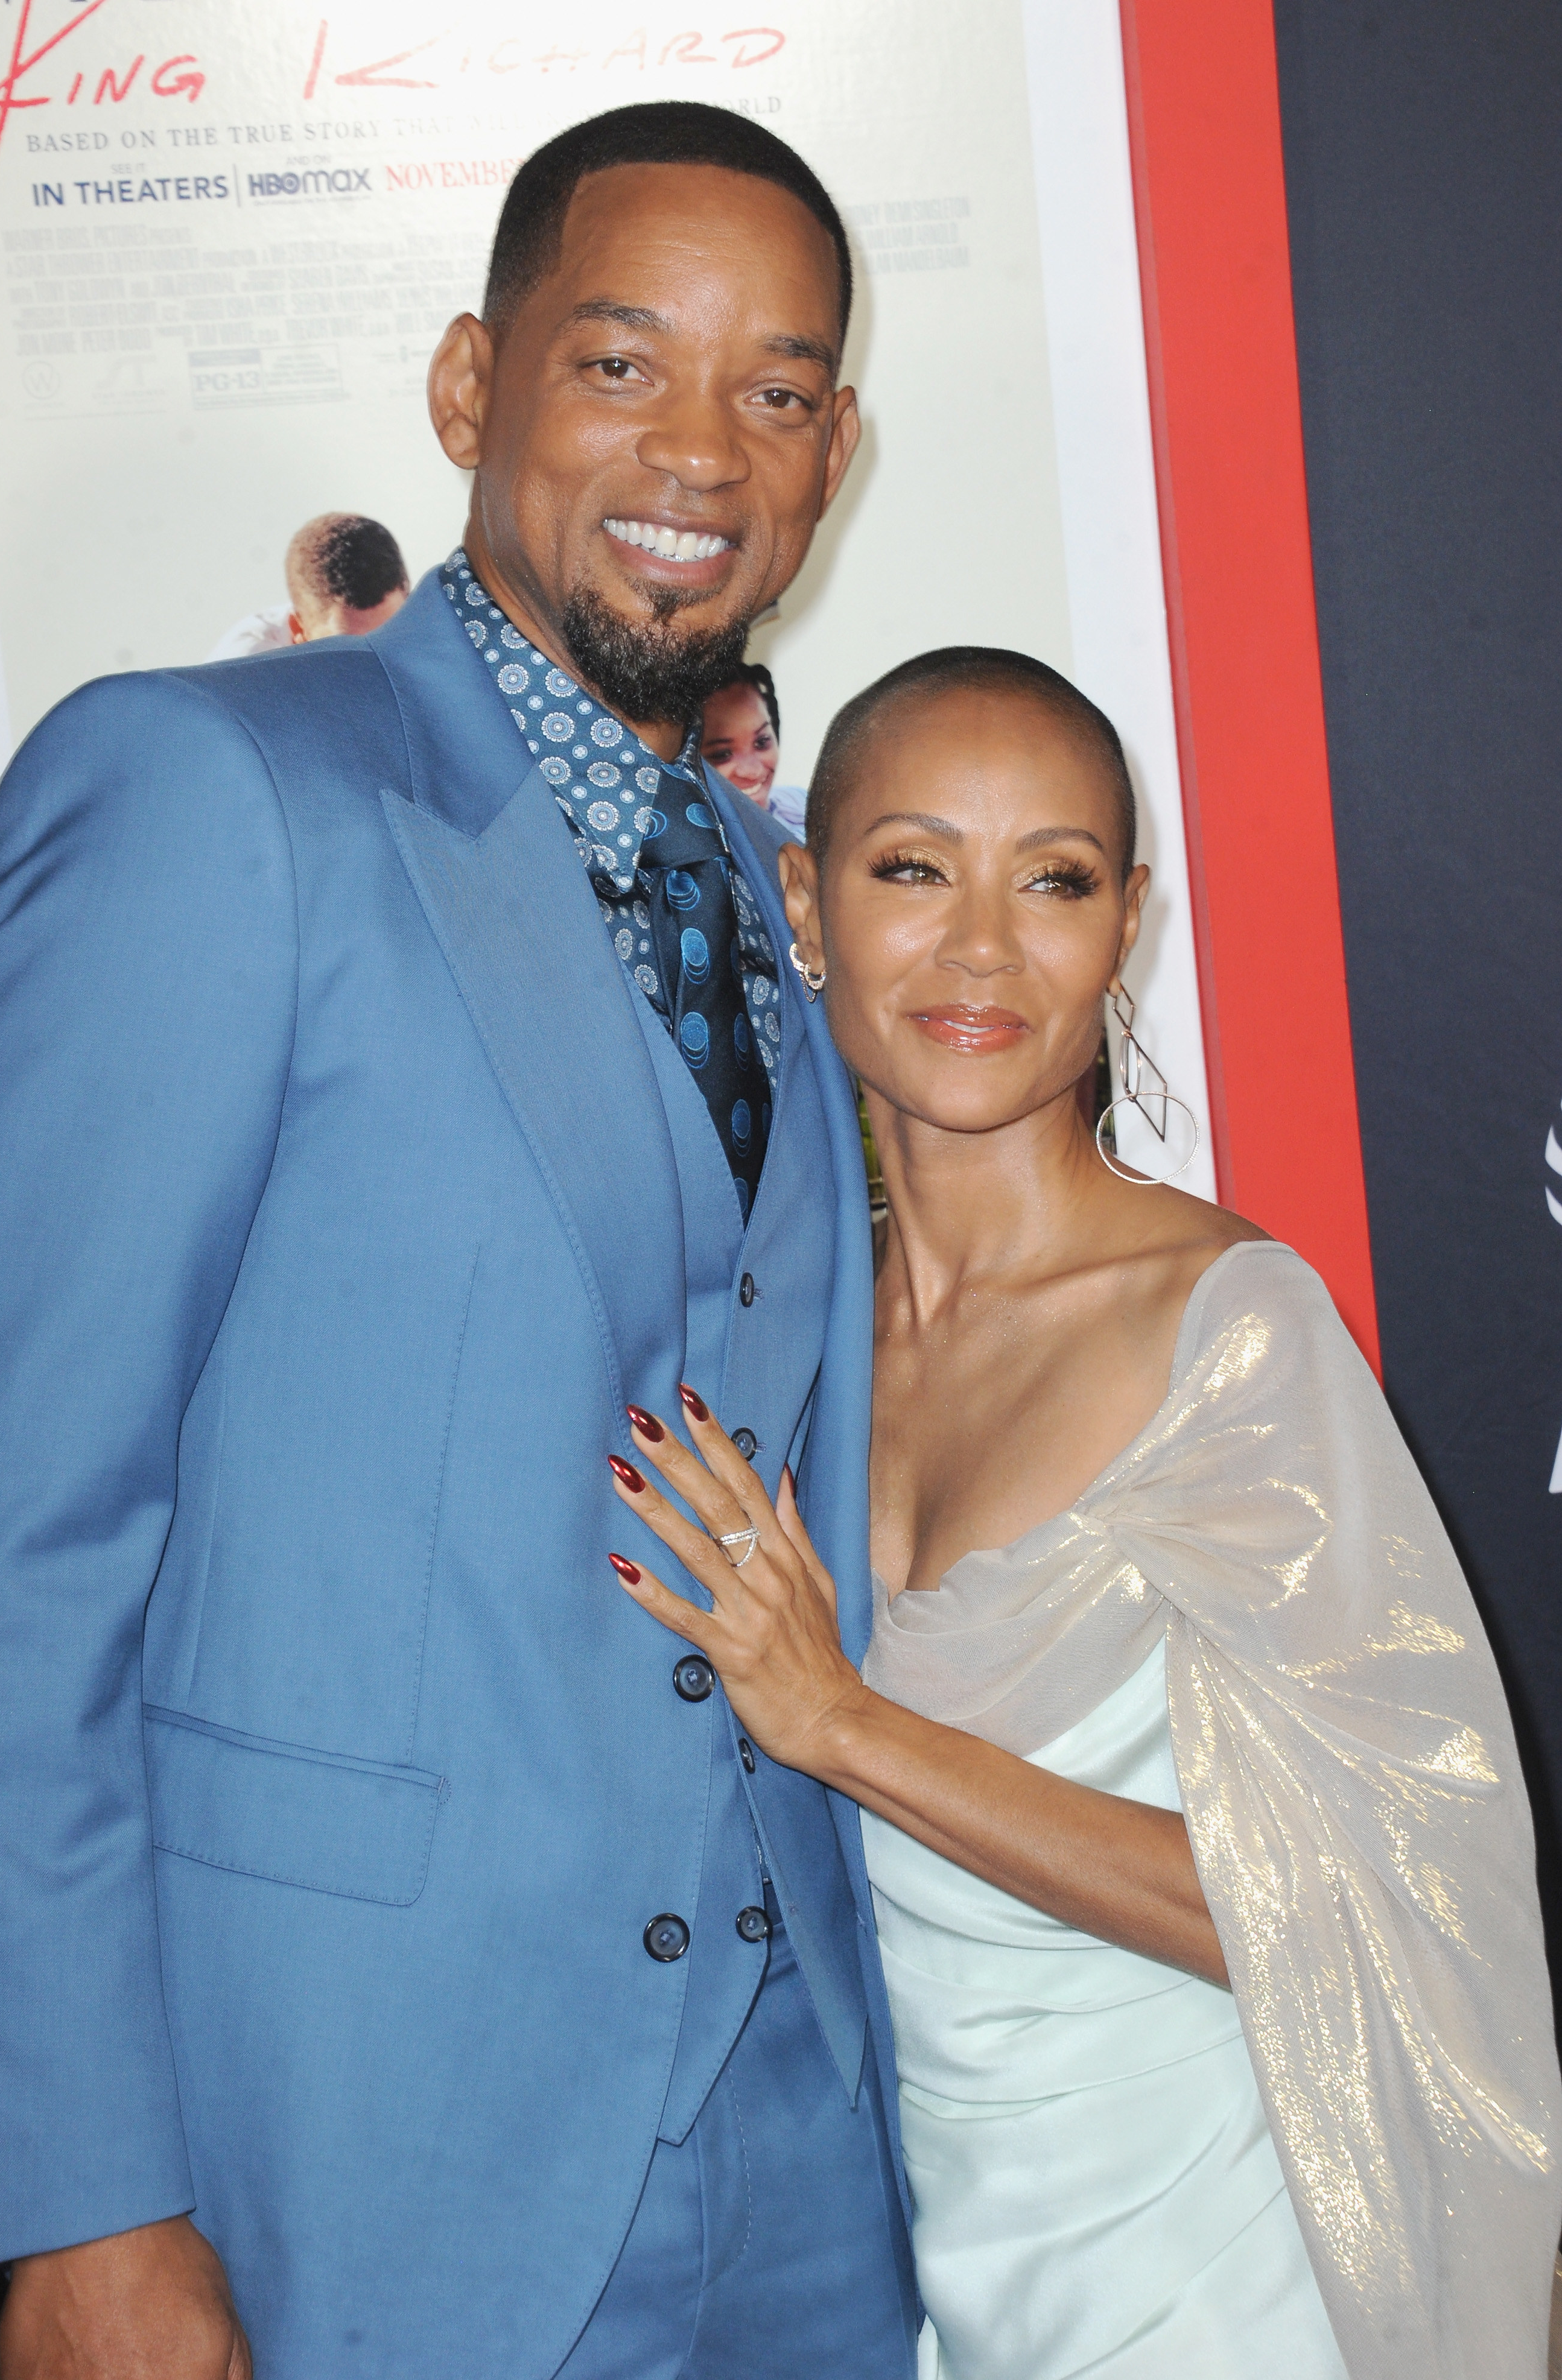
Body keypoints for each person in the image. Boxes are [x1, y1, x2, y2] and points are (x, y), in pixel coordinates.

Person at [0, 107, 918, 2379]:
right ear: (469, 387)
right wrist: (79, 2194)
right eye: (622, 363)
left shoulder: (773, 884)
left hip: (804, 2172)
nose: (703, 454)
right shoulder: (200, 791)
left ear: (835, 452)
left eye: (779, 390)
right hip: (340, 2152)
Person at [603, 647, 1562, 2380]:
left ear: (1128, 922)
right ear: (805, 901)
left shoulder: (1225, 1329)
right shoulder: (790, 1341)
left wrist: (844, 1722)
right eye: (914, 869)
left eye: (1050, 880)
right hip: (923, 2275)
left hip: (1229, 2269)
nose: (981, 948)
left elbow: (1370, 1905)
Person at [205, 511, 410, 657]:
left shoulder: (433, 631)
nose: (376, 663)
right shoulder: (245, 679)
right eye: (349, 652)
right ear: (298, 632)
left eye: (389, 638)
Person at [702, 659, 806, 834]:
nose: (753, 771)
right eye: (722, 754)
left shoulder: (800, 803)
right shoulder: (699, 855)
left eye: (762, 742)